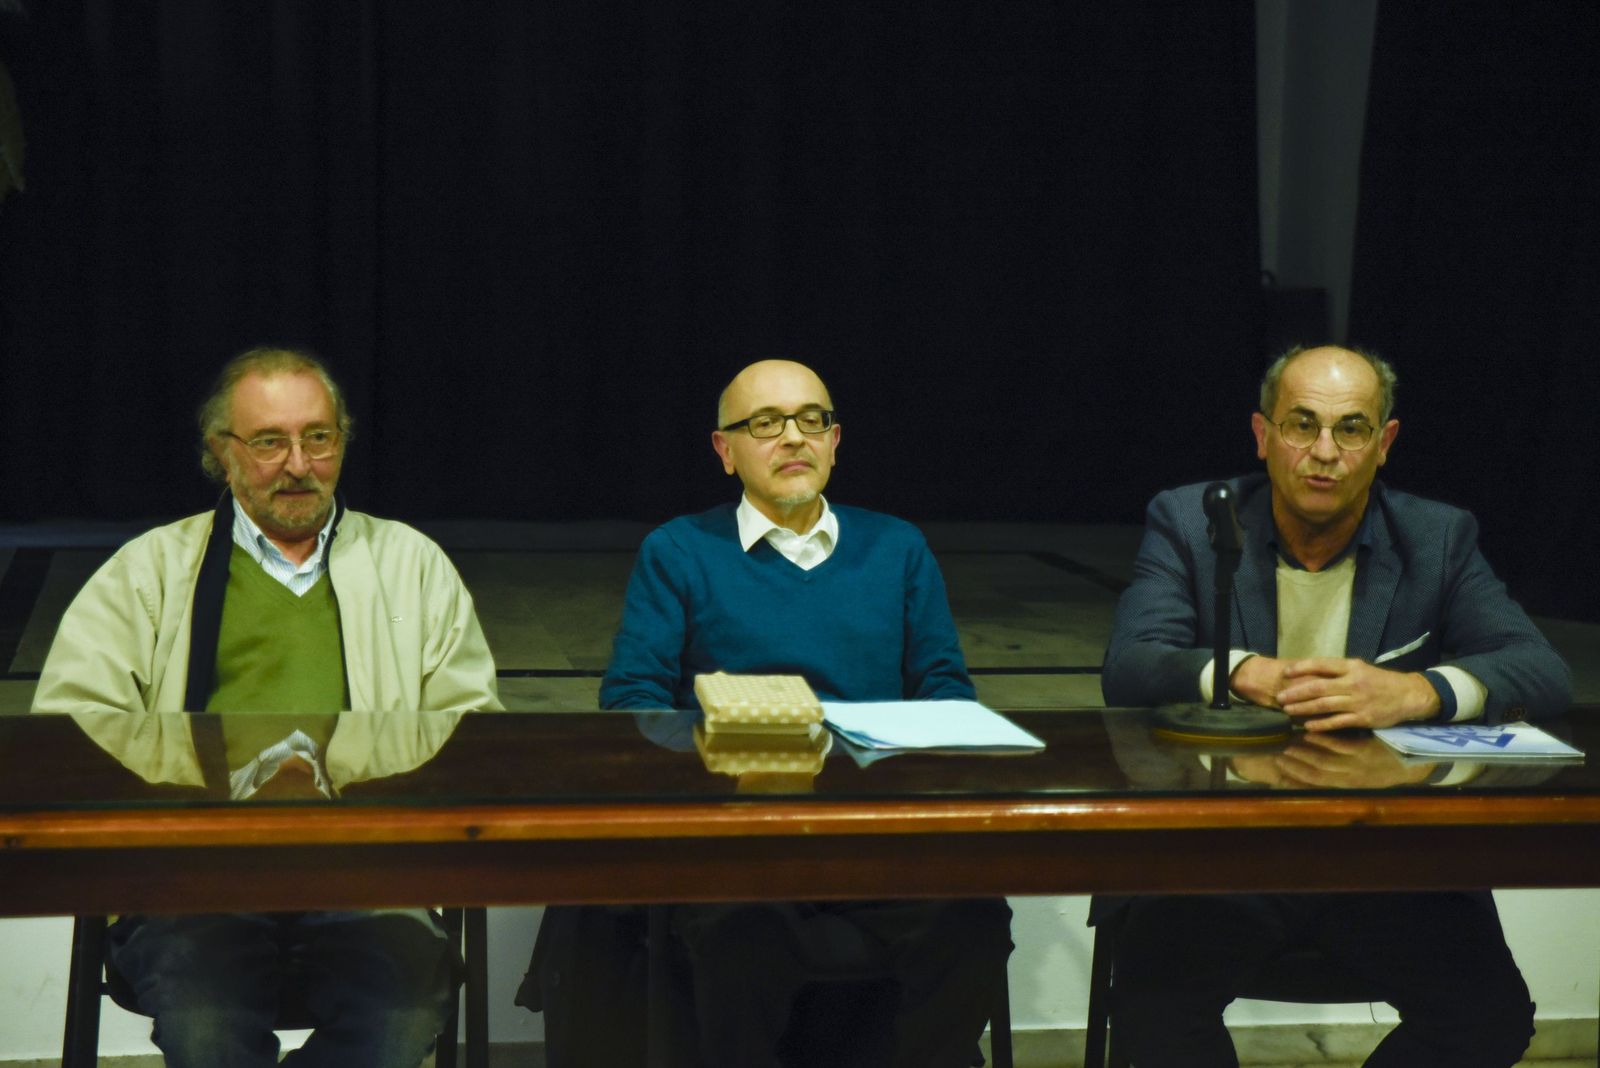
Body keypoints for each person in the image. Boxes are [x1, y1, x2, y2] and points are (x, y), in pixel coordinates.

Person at [1099, 344, 1571, 1067]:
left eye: (1351, 429)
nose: (1324, 452)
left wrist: (1419, 690)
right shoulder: (1195, 522)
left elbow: (1540, 670)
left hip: (1382, 857)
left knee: (1488, 1019)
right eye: (1302, 425)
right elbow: (1130, 665)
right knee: (1153, 1018)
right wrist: (1241, 671)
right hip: (1220, 854)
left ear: (1383, 445)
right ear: (1262, 435)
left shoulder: (1438, 537)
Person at [535, 359, 1012, 1068]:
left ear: (836, 440)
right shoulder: (680, 550)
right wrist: (737, 739)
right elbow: (632, 702)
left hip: (874, 837)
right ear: (725, 451)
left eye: (811, 420)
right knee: (737, 928)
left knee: (974, 918)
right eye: (765, 423)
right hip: (740, 841)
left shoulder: (897, 548)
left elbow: (945, 691)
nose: (793, 438)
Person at [34, 346, 502, 1068]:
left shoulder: (411, 564)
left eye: (318, 437)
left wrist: (353, 784)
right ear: (221, 453)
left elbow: (471, 732)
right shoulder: (151, 570)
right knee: (208, 1025)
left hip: (370, 872)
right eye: (268, 442)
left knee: (405, 1018)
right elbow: (70, 734)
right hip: (193, 876)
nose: (298, 464)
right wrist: (211, 792)